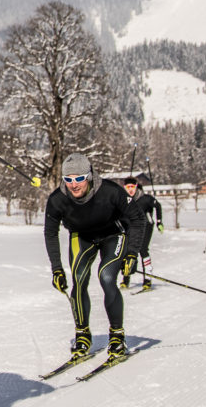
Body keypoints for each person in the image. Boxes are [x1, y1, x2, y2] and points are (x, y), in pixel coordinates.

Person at [44, 154, 144, 366]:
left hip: (113, 235)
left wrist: (132, 253)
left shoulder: (110, 191)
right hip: (82, 237)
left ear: (89, 176)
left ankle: (117, 336)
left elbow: (137, 219)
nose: (73, 185)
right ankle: (82, 335)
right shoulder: (57, 200)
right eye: (68, 179)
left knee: (106, 277)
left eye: (78, 178)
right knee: (78, 280)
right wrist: (57, 269)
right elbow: (50, 233)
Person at [120, 175, 162, 291]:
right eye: (128, 187)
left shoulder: (145, 198)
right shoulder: (124, 199)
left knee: (143, 250)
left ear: (136, 186)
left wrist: (159, 222)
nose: (130, 189)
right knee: (128, 251)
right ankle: (126, 279)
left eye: (132, 186)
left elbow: (158, 205)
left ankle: (147, 280)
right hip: (130, 227)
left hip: (146, 226)